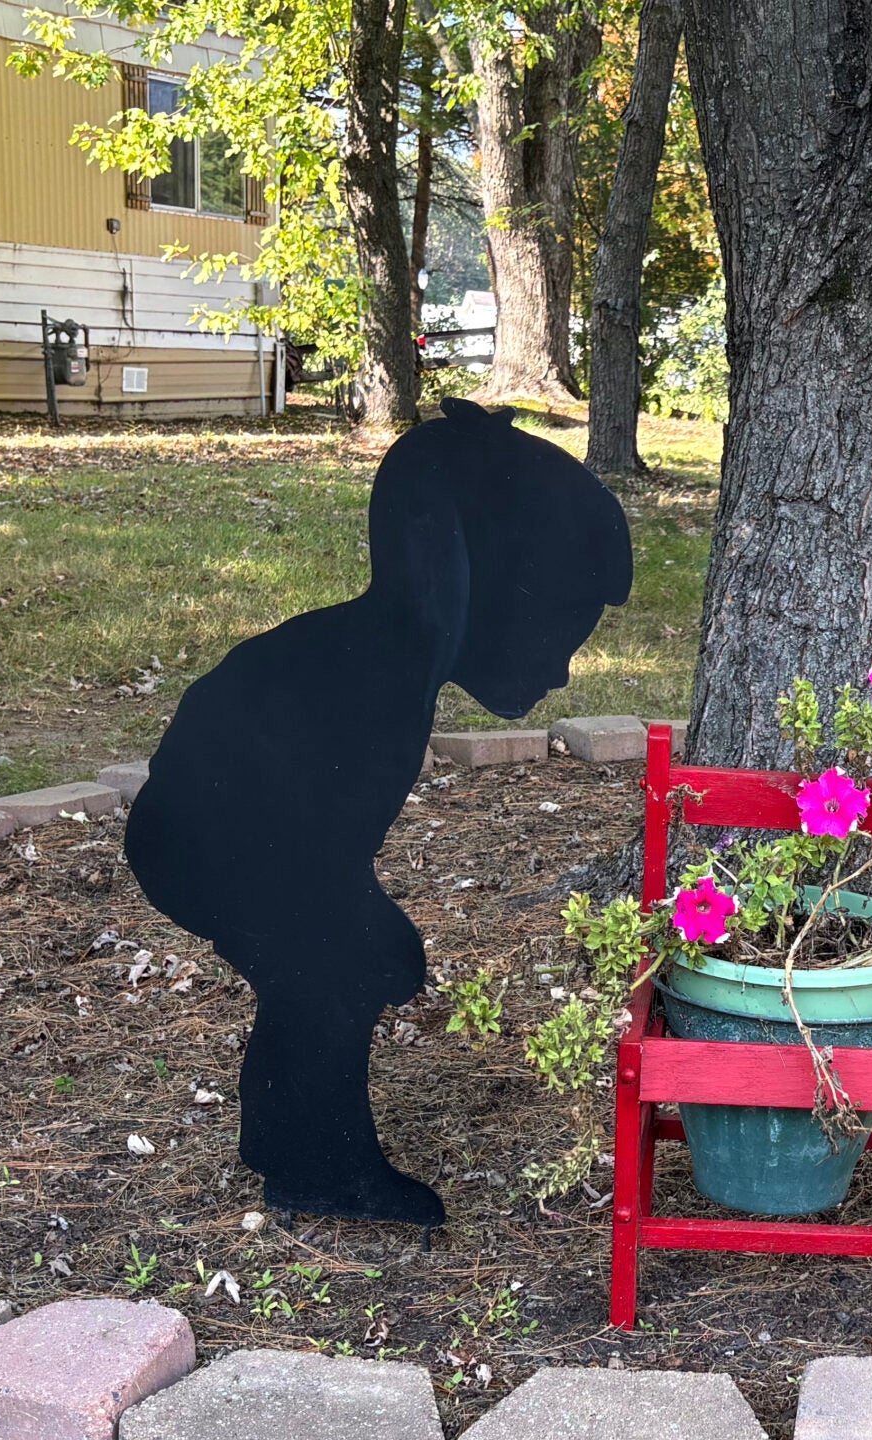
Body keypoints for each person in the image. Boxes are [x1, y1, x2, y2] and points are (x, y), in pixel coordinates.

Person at [127, 400, 634, 1223]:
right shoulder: (374, 694)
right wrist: (374, 923)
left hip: (226, 830)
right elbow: (311, 864)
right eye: (556, 633)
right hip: (199, 836)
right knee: (330, 969)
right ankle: (322, 1166)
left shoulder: (381, 665)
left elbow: (323, 854)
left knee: (331, 961)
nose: (563, 672)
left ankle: (286, 1141)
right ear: (491, 586)